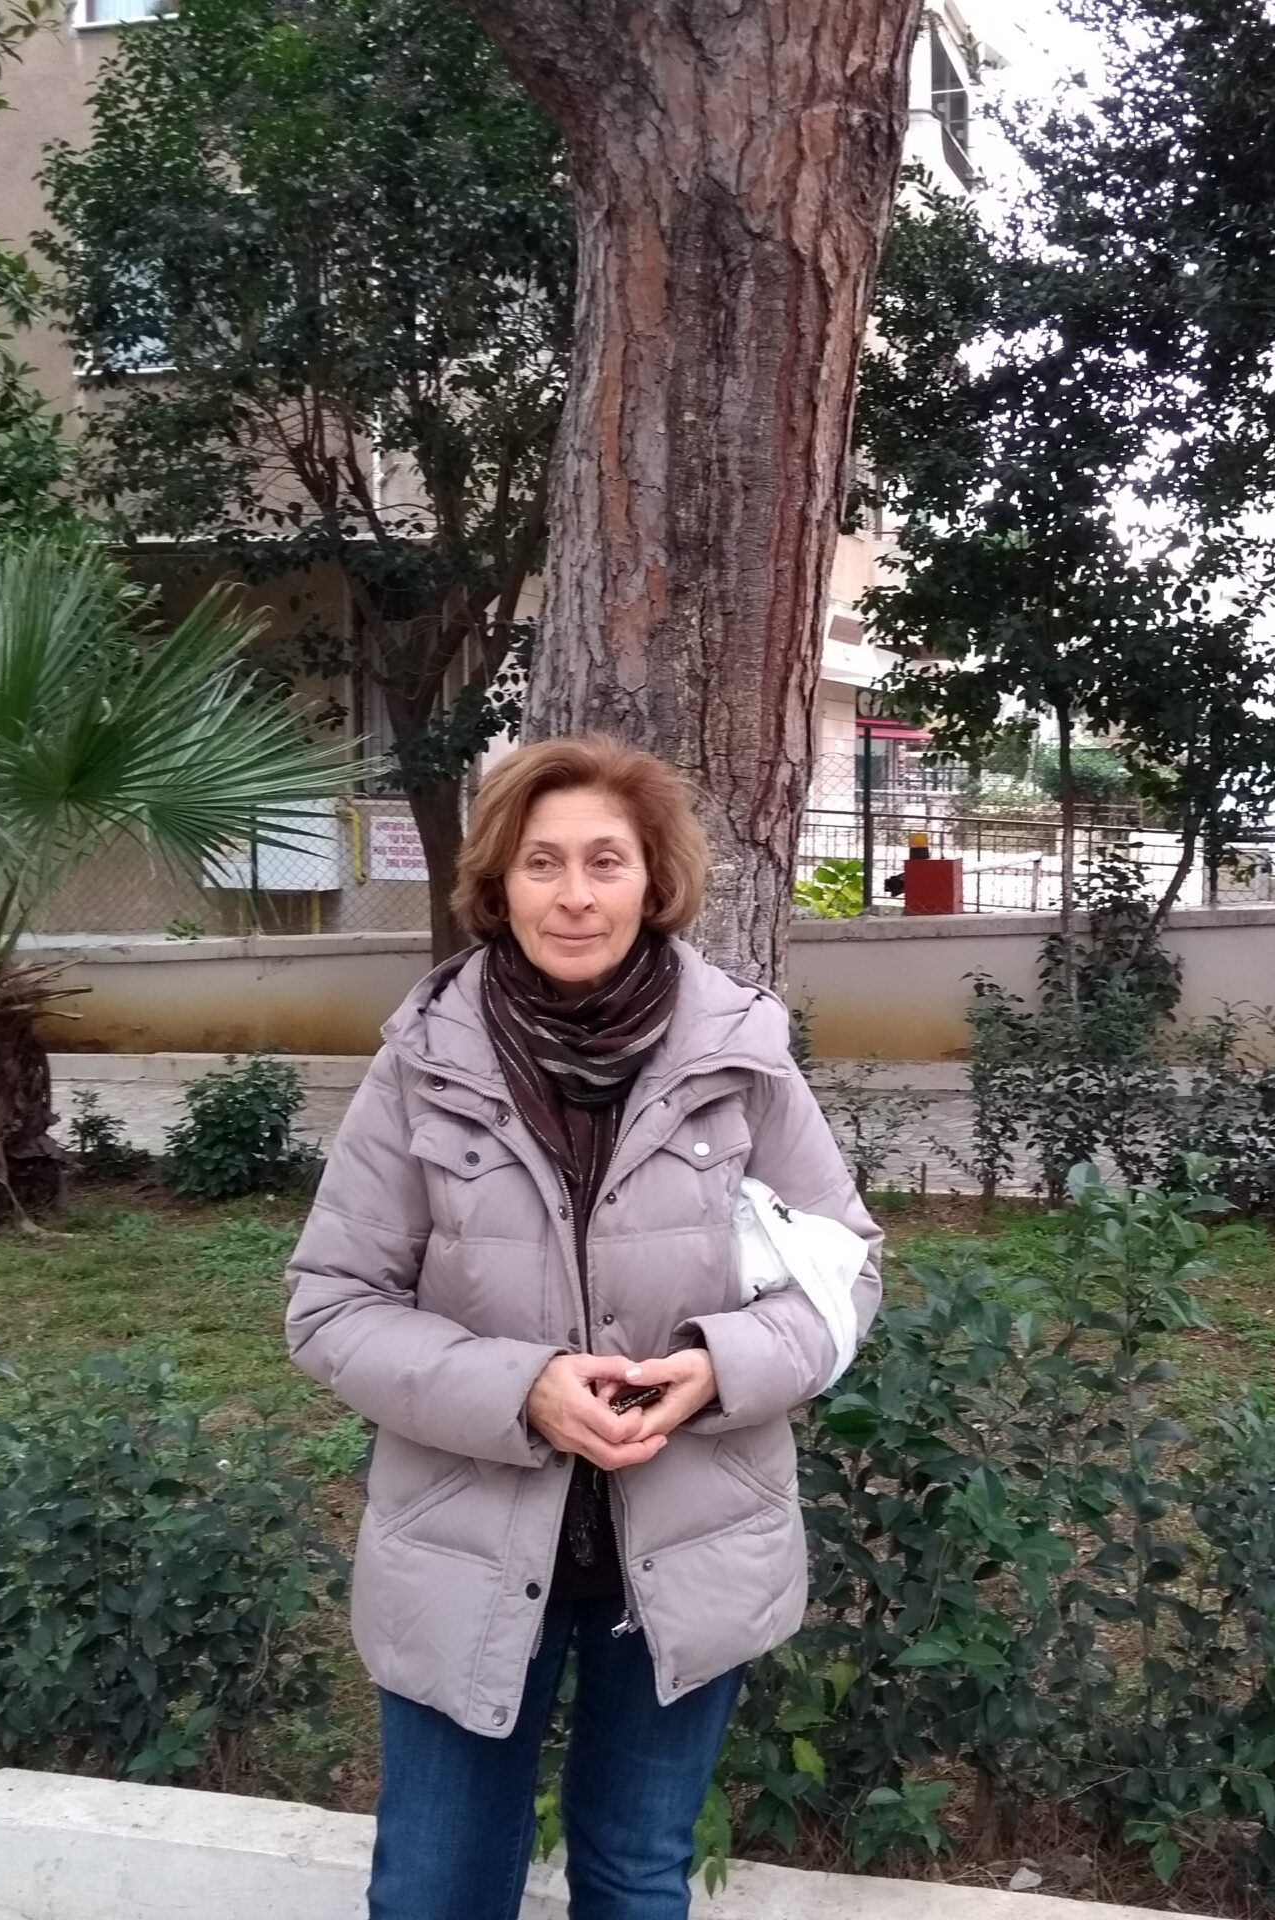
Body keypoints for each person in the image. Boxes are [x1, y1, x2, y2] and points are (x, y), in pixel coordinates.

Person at [285, 735, 881, 1920]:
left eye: (605, 861)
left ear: (652, 880)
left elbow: (844, 1271)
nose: (573, 895)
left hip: (687, 1543)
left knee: (633, 1879)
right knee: (436, 1891)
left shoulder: (738, 1055)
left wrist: (717, 1367)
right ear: (497, 885)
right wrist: (520, 1390)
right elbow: (331, 1305)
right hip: (463, 1548)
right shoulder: (424, 1064)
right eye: (541, 862)